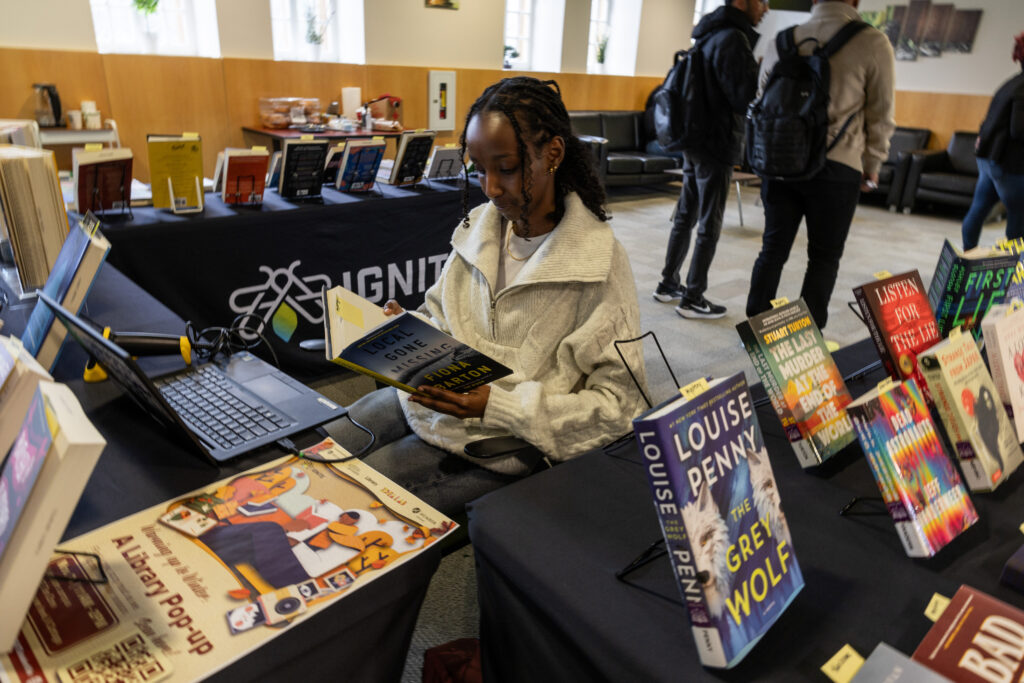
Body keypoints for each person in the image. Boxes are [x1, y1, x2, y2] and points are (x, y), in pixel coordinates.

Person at [324, 77, 647, 517]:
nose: (490, 188)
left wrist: (500, 406)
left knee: (352, 502)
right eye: (478, 168)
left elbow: (618, 409)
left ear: (552, 153)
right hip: (431, 401)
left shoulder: (598, 263)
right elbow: (443, 313)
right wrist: (408, 328)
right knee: (320, 450)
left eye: (507, 168)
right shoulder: (480, 226)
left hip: (504, 439)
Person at [745, 0, 895, 330]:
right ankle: (807, 338)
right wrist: (873, 164)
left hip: (779, 160)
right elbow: (880, 114)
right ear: (856, 2)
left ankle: (756, 328)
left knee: (772, 248)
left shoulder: (781, 41)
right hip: (837, 165)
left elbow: (761, 100)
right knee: (823, 258)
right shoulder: (872, 42)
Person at [652, 0, 767, 320]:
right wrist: (756, 72)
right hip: (715, 142)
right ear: (742, 2)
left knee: (686, 214)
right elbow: (744, 98)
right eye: (762, 1)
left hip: (694, 138)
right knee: (709, 222)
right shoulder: (733, 38)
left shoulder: (708, 35)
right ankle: (692, 297)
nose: (766, 9)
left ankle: (667, 283)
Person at [961, 32, 1024, 250]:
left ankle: (968, 258)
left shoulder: (1011, 83)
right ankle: (1017, 276)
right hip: (1008, 165)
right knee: (1019, 219)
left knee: (978, 209)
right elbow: (1019, 129)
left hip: (989, 160)